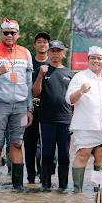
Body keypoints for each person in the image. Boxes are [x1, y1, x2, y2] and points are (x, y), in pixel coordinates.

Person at [0, 18, 34, 190]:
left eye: (12, 33)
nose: (9, 35)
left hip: (21, 106)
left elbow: (29, 84)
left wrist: (30, 108)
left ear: (18, 34)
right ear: (0, 33)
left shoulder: (25, 52)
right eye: (5, 32)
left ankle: (17, 187)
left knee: (17, 144)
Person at [65, 46, 102, 193]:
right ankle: (77, 191)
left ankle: (98, 193)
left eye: (99, 58)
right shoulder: (80, 77)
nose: (96, 61)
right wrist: (81, 91)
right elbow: (69, 99)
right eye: (93, 58)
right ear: (88, 60)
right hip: (85, 126)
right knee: (83, 155)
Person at [32, 40, 73, 189]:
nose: (55, 53)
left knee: (64, 155)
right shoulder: (42, 70)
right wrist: (40, 76)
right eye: (53, 51)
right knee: (47, 154)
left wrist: (73, 120)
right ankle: (46, 186)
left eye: (58, 51)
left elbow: (73, 99)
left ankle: (63, 187)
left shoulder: (70, 73)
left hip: (65, 120)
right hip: (47, 119)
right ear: (49, 53)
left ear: (63, 53)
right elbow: (35, 93)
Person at [24, 31, 51, 184]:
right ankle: (30, 178)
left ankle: (44, 176)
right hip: (28, 109)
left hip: (48, 111)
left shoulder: (52, 64)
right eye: (39, 41)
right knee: (29, 144)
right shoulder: (29, 64)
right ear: (34, 45)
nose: (42, 44)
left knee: (47, 145)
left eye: (45, 42)